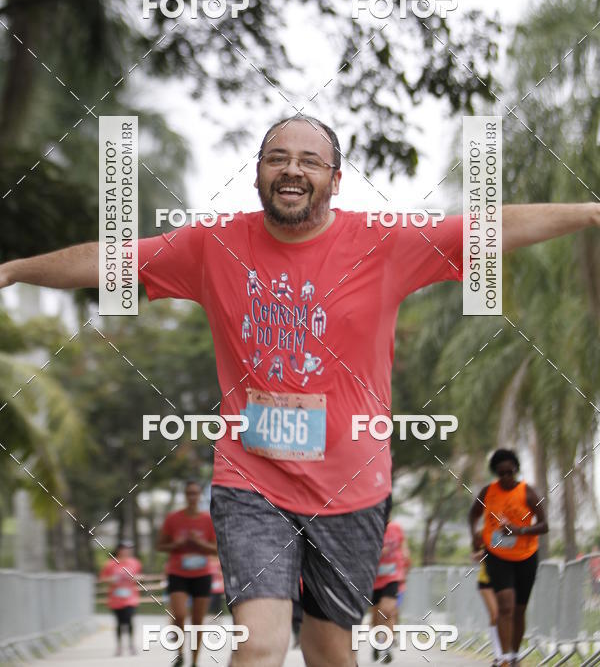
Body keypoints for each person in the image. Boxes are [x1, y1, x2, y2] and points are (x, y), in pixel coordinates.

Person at [0, 114, 596, 667]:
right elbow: (114, 260)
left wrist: (589, 212)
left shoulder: (383, 243)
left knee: (328, 651)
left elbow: (489, 228)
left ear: (335, 181)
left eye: (310, 161)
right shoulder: (213, 245)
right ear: (257, 174)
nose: (292, 169)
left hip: (354, 487)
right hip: (251, 482)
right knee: (258, 644)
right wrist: (14, 269)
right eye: (277, 158)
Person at [469, 449, 548, 667]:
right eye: (500, 473)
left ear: (516, 470)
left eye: (509, 472)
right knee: (506, 606)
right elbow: (473, 514)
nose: (505, 477)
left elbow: (544, 525)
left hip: (526, 556)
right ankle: (503, 658)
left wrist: (518, 530)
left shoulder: (528, 492)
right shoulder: (488, 492)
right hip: (497, 555)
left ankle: (514, 655)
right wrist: (473, 538)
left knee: (519, 610)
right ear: (495, 472)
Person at [157, 480, 218, 667]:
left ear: (200, 496)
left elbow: (216, 550)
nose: (192, 497)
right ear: (185, 496)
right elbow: (160, 545)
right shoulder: (173, 519)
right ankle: (180, 652)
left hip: (202, 574)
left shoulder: (208, 520)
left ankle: (194, 661)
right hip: (178, 573)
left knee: (198, 620)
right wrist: (178, 544)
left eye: (195, 493)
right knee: (180, 614)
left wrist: (199, 544)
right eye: (189, 493)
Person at [370, 516, 411, 663]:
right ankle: (375, 642)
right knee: (376, 616)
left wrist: (406, 559)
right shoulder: (369, 528)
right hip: (373, 579)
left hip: (393, 576)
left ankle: (386, 646)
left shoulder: (396, 528)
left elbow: (404, 547)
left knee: (388, 610)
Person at [98, 540, 142, 657]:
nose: (127, 551)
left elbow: (140, 576)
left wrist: (135, 578)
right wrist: (112, 579)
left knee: (129, 620)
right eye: (124, 548)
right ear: (119, 550)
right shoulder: (110, 564)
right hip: (115, 598)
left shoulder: (134, 563)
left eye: (129, 549)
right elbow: (102, 578)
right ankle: (119, 646)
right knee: (119, 623)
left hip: (130, 597)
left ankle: (131, 644)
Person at [473, 548, 501, 666]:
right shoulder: (487, 534)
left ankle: (511, 654)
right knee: (495, 615)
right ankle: (498, 655)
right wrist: (485, 553)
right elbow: (475, 556)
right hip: (487, 580)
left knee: (509, 616)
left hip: (510, 577)